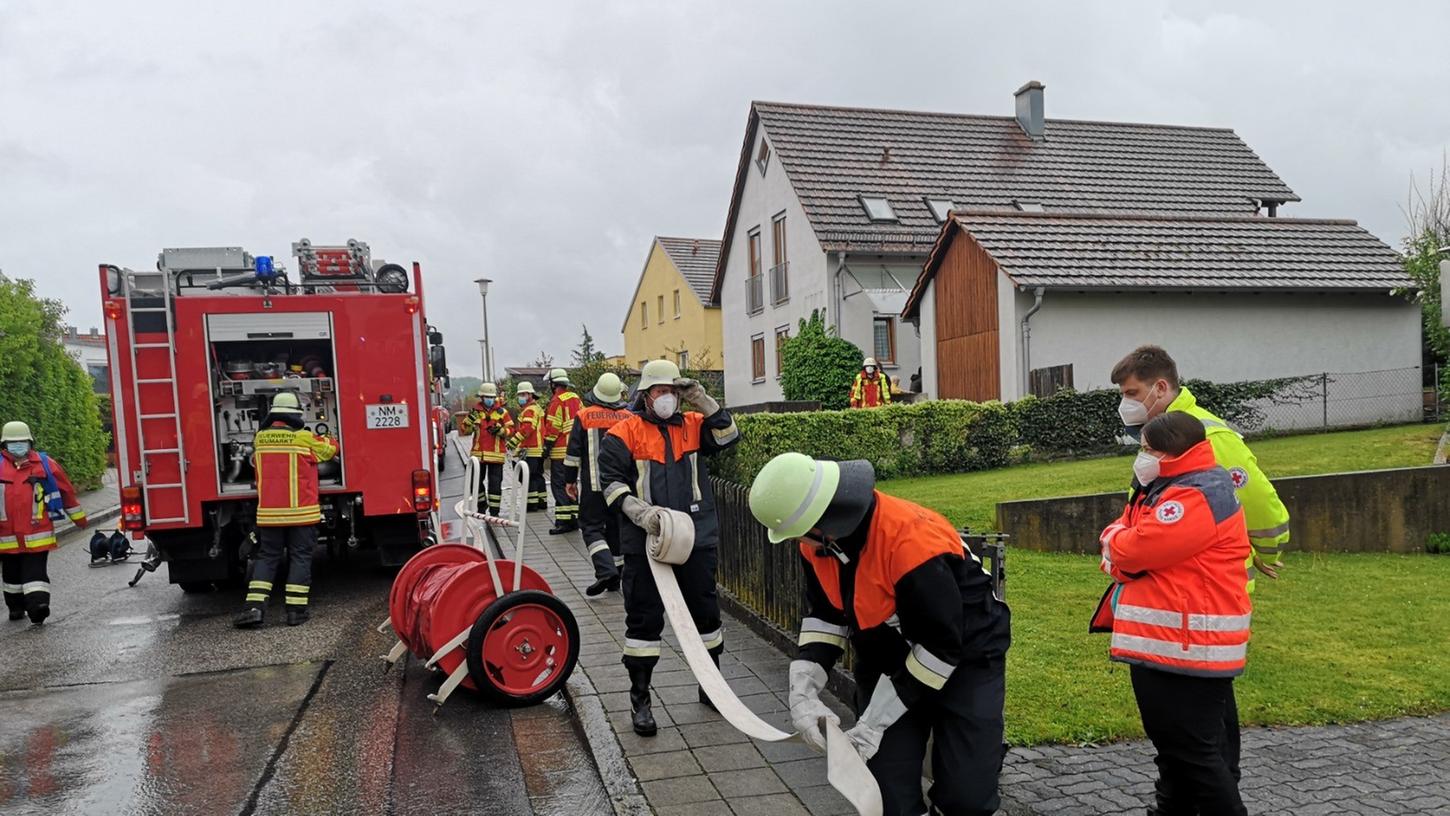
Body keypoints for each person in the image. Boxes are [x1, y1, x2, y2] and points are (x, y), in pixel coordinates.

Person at [748, 452, 1011, 816]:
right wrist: (803, 688)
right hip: (887, 656)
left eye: (800, 536)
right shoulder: (820, 544)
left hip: (966, 655)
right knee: (886, 790)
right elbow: (826, 613)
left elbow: (940, 648)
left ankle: (978, 755)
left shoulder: (911, 543)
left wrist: (875, 722)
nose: (800, 544)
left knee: (967, 797)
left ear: (821, 525)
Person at [1111, 344, 1288, 785]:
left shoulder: (1210, 436)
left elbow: (1261, 503)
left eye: (1132, 392)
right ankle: (1191, 795)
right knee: (1190, 723)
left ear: (1161, 387)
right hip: (1174, 595)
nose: (1125, 403)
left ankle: (1218, 790)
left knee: (1205, 721)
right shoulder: (1167, 432)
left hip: (1206, 598)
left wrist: (1268, 553)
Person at [1096, 412, 1251, 816]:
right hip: (1174, 645)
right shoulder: (1167, 485)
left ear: (1172, 451)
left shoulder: (1192, 495)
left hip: (1188, 646)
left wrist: (1118, 547)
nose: (1141, 455)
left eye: (1148, 448)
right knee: (1177, 751)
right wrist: (1120, 546)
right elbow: (1124, 536)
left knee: (1194, 753)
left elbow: (1132, 550)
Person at [597, 360, 739, 736]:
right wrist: (640, 513)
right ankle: (640, 698)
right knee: (644, 620)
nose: (667, 399)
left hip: (695, 535)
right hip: (646, 541)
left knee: (706, 615)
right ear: (645, 395)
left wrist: (703, 400)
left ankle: (712, 684)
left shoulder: (694, 425)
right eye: (660, 392)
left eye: (673, 392)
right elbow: (610, 484)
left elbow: (729, 436)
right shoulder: (622, 432)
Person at [234, 392, 337, 628]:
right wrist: (330, 437)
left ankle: (255, 609)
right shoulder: (303, 438)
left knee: (267, 558)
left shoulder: (260, 438)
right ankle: (295, 612)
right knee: (300, 558)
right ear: (296, 415)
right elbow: (331, 450)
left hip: (270, 515)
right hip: (302, 514)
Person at [0, 421, 87, 624]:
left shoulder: (45, 465)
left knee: (35, 574)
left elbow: (66, 491)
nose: (18, 446)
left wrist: (79, 519)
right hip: (5, 536)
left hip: (37, 533)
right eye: (13, 443)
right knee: (11, 577)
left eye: (22, 442)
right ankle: (15, 607)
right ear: (4, 445)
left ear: (30, 442)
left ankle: (38, 607)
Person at [563, 372, 633, 596]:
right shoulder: (628, 417)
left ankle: (605, 570)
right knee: (615, 528)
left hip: (593, 485)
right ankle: (616, 576)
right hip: (621, 486)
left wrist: (569, 481)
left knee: (591, 527)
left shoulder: (584, 416)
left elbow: (573, 454)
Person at [457, 383, 513, 516]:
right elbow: (465, 430)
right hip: (478, 455)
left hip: (496, 455)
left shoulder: (502, 412)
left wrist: (501, 431)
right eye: (487, 397)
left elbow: (511, 430)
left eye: (492, 397)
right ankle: (482, 506)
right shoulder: (475, 412)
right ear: (481, 397)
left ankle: (494, 513)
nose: (490, 399)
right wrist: (470, 420)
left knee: (495, 485)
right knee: (475, 483)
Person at [542, 368, 584, 535]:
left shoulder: (556, 401)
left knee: (559, 486)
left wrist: (546, 447)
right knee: (572, 484)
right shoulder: (576, 398)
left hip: (560, 452)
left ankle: (564, 522)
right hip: (575, 451)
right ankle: (575, 519)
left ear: (553, 384)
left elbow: (553, 427)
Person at [508, 381, 548, 512]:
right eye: (519, 394)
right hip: (538, 448)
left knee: (528, 477)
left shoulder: (529, 410)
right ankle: (542, 502)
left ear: (530, 395)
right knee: (538, 476)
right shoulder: (536, 408)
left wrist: (513, 442)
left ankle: (531, 505)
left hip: (531, 449)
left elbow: (526, 429)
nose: (520, 397)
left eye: (523, 394)